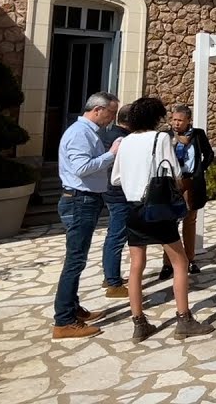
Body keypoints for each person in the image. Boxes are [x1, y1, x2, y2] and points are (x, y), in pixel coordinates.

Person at [111, 96, 216, 343]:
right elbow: (176, 173)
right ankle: (184, 318)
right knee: (179, 262)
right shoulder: (161, 139)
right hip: (157, 208)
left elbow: (115, 178)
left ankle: (139, 323)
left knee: (136, 267)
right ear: (156, 117)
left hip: (133, 209)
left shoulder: (124, 143)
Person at [52, 92, 120, 339]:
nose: (112, 118)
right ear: (98, 110)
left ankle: (72, 308)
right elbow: (81, 168)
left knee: (77, 260)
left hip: (85, 200)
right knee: (75, 261)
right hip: (79, 201)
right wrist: (111, 154)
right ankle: (64, 320)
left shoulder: (88, 132)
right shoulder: (80, 133)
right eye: (111, 112)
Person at [157, 104, 214, 279]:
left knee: (190, 220)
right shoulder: (166, 136)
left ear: (188, 120)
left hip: (190, 180)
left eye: (180, 120)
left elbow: (209, 154)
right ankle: (168, 263)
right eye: (174, 119)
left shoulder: (197, 135)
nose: (176, 123)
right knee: (170, 222)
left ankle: (190, 259)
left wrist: (200, 169)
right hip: (171, 182)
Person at [99, 107, 133, 299]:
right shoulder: (124, 140)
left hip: (109, 191)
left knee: (113, 234)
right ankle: (113, 282)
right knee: (117, 236)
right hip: (119, 193)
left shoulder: (108, 133)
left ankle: (109, 275)